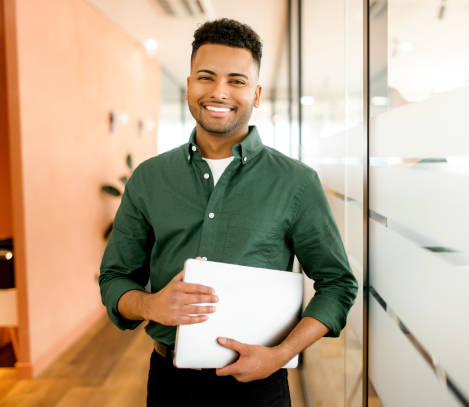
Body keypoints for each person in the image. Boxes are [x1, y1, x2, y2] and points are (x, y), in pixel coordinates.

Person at [99, 18, 357, 407]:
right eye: (206, 77)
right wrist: (151, 305)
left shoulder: (297, 182)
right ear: (188, 86)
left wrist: (282, 354)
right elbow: (115, 279)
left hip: (260, 385)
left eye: (236, 81)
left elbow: (337, 284)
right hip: (170, 384)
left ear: (256, 94)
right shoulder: (149, 178)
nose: (219, 92)